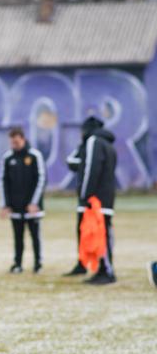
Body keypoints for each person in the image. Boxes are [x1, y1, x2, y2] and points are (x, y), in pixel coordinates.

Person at [64, 116, 117, 284]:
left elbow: (91, 169)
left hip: (96, 199)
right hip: (105, 197)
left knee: (102, 235)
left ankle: (107, 271)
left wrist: (85, 195)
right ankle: (101, 268)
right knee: (101, 234)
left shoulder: (94, 141)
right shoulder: (107, 143)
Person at [0, 127, 46, 274]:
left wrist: (34, 203)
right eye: (12, 142)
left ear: (23, 139)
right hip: (15, 207)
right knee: (18, 237)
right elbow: (3, 181)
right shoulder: (7, 158)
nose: (14, 145)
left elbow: (41, 179)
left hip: (32, 207)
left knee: (35, 236)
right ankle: (17, 264)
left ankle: (38, 264)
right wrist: (5, 205)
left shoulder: (35, 155)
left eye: (17, 142)